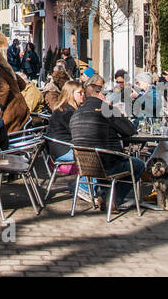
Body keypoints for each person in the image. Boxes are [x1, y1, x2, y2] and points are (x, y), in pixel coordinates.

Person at [69, 79, 144, 209]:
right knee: (138, 164)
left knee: (105, 157)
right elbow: (130, 130)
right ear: (100, 94)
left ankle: (103, 194)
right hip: (108, 164)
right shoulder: (106, 109)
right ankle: (115, 199)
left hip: (85, 165)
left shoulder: (75, 114)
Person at [45, 81, 83, 162]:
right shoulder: (67, 112)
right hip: (63, 150)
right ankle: (85, 175)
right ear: (71, 94)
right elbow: (79, 134)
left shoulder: (63, 108)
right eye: (80, 93)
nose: (83, 95)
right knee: (95, 157)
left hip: (56, 149)